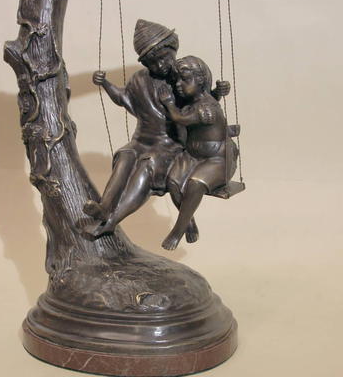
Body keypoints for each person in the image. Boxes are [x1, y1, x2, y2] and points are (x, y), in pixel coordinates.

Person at [83, 20, 230, 240]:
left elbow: (201, 104)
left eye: (164, 58)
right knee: (125, 157)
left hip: (170, 145)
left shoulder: (180, 79)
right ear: (145, 63)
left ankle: (112, 220)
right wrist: (105, 84)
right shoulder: (140, 80)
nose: (160, 65)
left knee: (146, 166)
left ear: (173, 50)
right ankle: (104, 207)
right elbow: (123, 98)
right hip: (141, 140)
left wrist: (217, 93)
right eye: (153, 62)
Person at [158, 56, 238, 250]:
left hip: (217, 159)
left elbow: (179, 118)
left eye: (185, 79)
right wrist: (217, 92)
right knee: (173, 182)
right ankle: (188, 221)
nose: (178, 84)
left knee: (195, 184)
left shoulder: (207, 109)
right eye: (177, 79)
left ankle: (176, 232)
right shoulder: (194, 101)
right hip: (193, 155)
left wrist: (168, 103)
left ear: (201, 80)